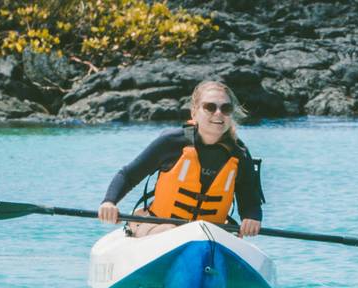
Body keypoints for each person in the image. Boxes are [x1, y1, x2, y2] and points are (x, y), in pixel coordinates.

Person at [97, 81, 263, 238]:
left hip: (211, 234)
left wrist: (252, 217)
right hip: (158, 226)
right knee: (171, 230)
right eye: (210, 107)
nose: (218, 113)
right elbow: (128, 175)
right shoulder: (171, 142)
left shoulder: (239, 154)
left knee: (213, 236)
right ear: (194, 112)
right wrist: (109, 202)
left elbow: (249, 198)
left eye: (226, 108)